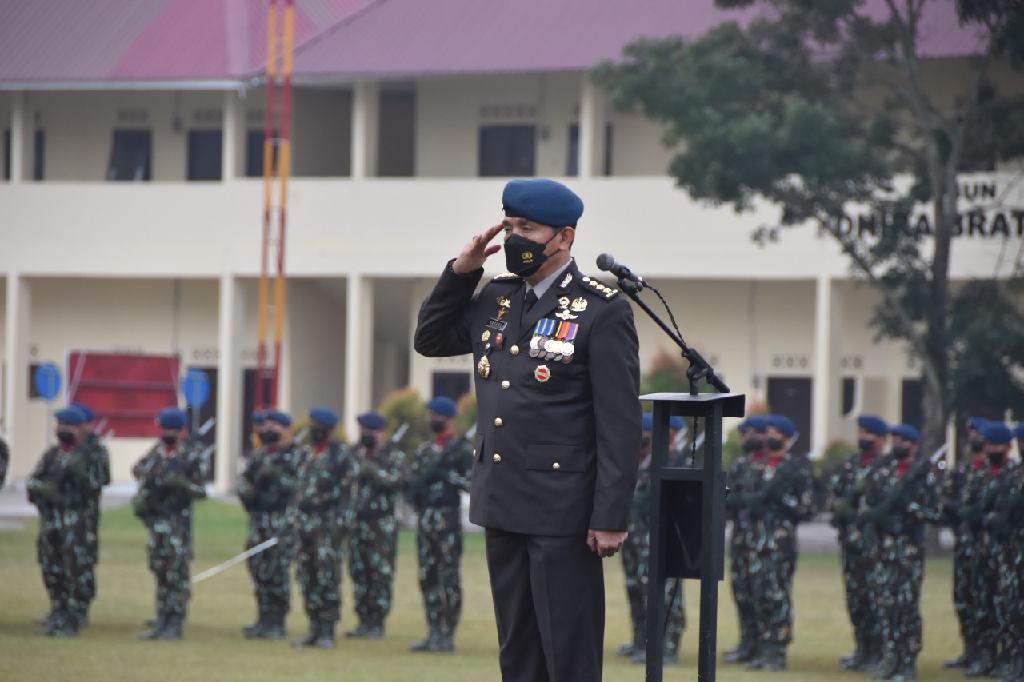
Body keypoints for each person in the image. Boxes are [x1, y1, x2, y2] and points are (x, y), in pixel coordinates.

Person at [414, 178, 641, 681]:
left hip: (564, 509)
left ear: (563, 238)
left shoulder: (601, 310)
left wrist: (610, 515)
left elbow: (620, 426)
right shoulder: (496, 297)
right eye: (510, 225)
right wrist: (461, 271)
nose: (515, 238)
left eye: (528, 229)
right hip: (503, 500)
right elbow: (429, 339)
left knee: (568, 653)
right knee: (517, 650)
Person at [859, 424, 941, 682]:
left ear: (915, 445)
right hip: (884, 549)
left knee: (906, 606)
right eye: (895, 439)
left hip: (908, 549)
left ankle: (908, 661)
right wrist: (873, 518)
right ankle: (890, 657)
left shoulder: (923, 474)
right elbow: (868, 504)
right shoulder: (882, 472)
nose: (898, 444)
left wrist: (910, 508)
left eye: (904, 440)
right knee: (885, 604)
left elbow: (935, 512)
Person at [745, 414, 814, 672]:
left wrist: (783, 499)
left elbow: (807, 508)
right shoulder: (759, 466)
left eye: (774, 433)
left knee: (777, 596)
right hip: (756, 542)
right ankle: (762, 647)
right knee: (758, 595)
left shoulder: (796, 468)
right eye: (768, 432)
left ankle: (778, 650)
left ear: (786, 438)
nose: (768, 437)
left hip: (780, 542)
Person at [26, 405, 102, 637]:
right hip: (51, 522)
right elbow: (33, 481)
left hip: (75, 524)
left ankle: (73, 618)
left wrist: (80, 473)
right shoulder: (52, 455)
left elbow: (95, 485)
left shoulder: (88, 456)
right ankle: (57, 613)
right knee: (52, 568)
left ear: (80, 429)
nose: (63, 429)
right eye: (60, 425)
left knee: (74, 571)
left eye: (68, 426)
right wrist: (44, 491)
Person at [404, 397, 473, 652]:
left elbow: (472, 483)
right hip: (426, 520)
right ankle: (433, 631)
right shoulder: (424, 450)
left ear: (449, 420)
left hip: (447, 521)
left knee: (449, 578)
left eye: (438, 416)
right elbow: (411, 482)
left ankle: (448, 635)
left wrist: (449, 476)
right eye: (431, 415)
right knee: (428, 577)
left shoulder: (461, 450)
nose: (433, 420)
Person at [133, 407, 208, 640]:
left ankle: (175, 621)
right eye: (164, 429)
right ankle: (162, 618)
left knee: (176, 572)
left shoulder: (192, 455)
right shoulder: (157, 452)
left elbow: (200, 490)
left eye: (172, 431)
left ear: (181, 432)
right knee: (160, 569)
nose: (167, 434)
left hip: (178, 522)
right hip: (156, 521)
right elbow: (138, 468)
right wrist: (154, 474)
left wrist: (180, 484)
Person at [619, 413, 686, 665]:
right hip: (635, 538)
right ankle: (641, 640)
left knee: (666, 592)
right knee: (636, 587)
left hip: (662, 537)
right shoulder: (640, 461)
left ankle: (667, 646)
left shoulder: (676, 460)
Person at [291, 407, 359, 649]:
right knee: (307, 575)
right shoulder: (306, 454)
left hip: (328, 526)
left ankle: (327, 628)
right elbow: (298, 490)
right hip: (306, 525)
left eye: (317, 426)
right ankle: (313, 626)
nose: (313, 430)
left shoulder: (341, 456)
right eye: (312, 425)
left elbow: (349, 495)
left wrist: (339, 526)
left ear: (329, 429)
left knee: (327, 576)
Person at [237, 409, 305, 639]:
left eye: (274, 426)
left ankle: (277, 621)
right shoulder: (260, 454)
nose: (268, 430)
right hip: (259, 518)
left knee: (277, 571)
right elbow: (245, 480)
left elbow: (300, 488)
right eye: (266, 426)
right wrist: (247, 491)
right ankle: (263, 617)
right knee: (258, 570)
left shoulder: (297, 456)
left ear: (287, 431)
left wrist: (276, 474)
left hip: (281, 520)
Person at [829, 414, 888, 671]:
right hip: (851, 545)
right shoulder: (850, 465)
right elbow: (836, 498)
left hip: (875, 547)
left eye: (869, 433)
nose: (863, 437)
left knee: (877, 601)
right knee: (856, 601)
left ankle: (879, 653)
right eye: (861, 432)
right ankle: (862, 650)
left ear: (882, 439)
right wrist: (841, 508)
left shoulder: (886, 468)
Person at [347, 410, 407, 639]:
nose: (367, 435)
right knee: (359, 571)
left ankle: (377, 622)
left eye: (371, 431)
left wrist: (375, 472)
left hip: (381, 524)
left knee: (380, 573)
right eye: (363, 431)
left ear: (381, 433)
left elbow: (398, 482)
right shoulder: (353, 455)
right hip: (357, 522)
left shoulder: (393, 457)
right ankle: (363, 620)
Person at [941, 416, 991, 671]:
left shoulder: (994, 472)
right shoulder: (962, 470)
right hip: (964, 544)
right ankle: (969, 649)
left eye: (978, 433)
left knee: (985, 602)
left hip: (985, 546)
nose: (973, 438)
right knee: (963, 598)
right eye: (970, 433)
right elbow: (946, 503)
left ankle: (987, 653)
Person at [723, 415, 769, 664]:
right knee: (742, 593)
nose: (745, 439)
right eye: (743, 434)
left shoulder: (773, 467)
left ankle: (767, 648)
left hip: (766, 543)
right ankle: (748, 644)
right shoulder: (741, 465)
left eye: (750, 433)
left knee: (766, 595)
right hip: (742, 539)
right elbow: (732, 498)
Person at [71, 402, 111, 627]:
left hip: (85, 517)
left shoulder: (95, 450)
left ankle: (81, 608)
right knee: (61, 562)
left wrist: (83, 474)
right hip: (62, 516)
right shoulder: (65, 449)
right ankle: (63, 607)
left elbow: (102, 480)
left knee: (83, 561)